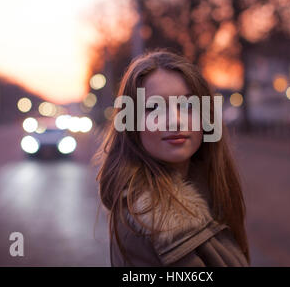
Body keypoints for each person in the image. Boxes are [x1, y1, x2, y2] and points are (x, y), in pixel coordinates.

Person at [94, 50, 250, 266]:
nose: (175, 121)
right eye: (154, 108)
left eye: (187, 106)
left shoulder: (214, 188)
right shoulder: (142, 223)